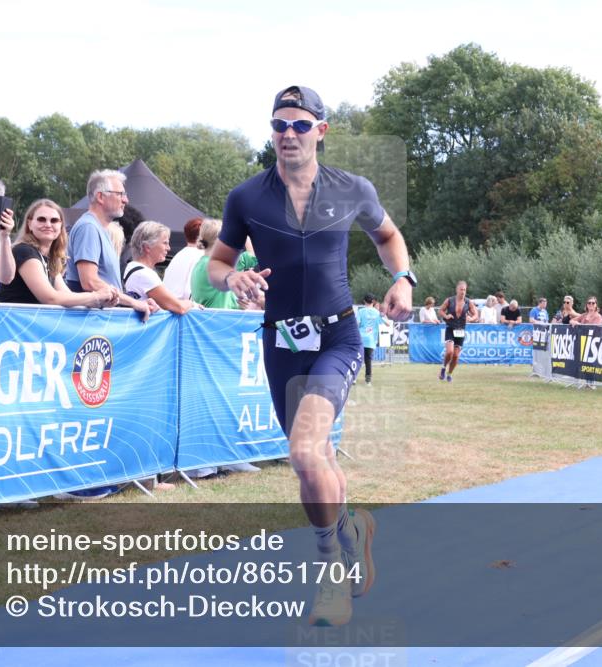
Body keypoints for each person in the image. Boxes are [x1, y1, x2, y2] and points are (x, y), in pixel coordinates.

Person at [205, 85, 414, 627]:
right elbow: (217, 264)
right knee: (314, 458)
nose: (288, 135)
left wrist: (404, 279)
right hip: (280, 341)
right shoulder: (246, 197)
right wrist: (236, 278)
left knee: (303, 450)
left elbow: (389, 236)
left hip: (338, 337)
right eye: (279, 125)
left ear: (321, 130)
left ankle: (330, 575)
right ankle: (352, 533)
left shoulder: (353, 188)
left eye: (299, 125)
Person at [0, 199, 118, 308]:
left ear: (61, 226)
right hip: (10, 328)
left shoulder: (50, 257)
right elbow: (50, 299)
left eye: (54, 220)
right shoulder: (24, 251)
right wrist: (95, 296)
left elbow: (66, 295)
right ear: (29, 224)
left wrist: (101, 302)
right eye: (41, 219)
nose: (48, 224)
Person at [64, 170, 153, 318]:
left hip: (99, 321)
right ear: (100, 196)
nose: (126, 200)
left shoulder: (98, 228)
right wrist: (134, 303)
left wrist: (140, 302)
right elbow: (90, 282)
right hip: (90, 323)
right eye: (120, 194)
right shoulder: (89, 227)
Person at [122, 221, 196, 314]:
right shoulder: (144, 274)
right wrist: (192, 304)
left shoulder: (132, 267)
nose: (168, 248)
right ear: (147, 247)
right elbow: (179, 308)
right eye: (165, 243)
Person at [190, 218, 259, 309]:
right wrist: (245, 233)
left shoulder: (201, 264)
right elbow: (253, 256)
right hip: (219, 321)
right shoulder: (216, 265)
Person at [438, 281, 478, 382]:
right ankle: (443, 368)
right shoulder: (449, 300)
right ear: (457, 290)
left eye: (464, 290)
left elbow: (476, 314)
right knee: (449, 352)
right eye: (461, 289)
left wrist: (471, 319)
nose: (463, 292)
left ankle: (449, 374)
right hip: (450, 328)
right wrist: (446, 316)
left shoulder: (469, 302)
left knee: (456, 356)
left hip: (461, 330)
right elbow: (440, 311)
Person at [162, 217, 205, 300]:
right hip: (181, 307)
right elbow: (189, 291)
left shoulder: (179, 255)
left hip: (169, 305)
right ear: (203, 236)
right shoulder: (200, 256)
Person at [356, 293, 381, 386]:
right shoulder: (376, 312)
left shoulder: (360, 311)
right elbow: (384, 323)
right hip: (370, 340)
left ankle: (353, 379)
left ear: (364, 301)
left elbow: (357, 324)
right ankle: (368, 381)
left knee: (357, 359)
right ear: (373, 302)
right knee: (368, 361)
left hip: (361, 338)